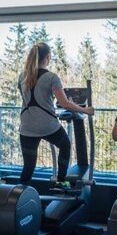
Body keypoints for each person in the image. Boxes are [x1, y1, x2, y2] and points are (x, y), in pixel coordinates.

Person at [18, 42, 94, 187]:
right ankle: (61, 181)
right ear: (48, 57)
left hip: (26, 126)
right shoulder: (52, 77)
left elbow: (26, 98)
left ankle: (17, 197)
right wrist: (86, 110)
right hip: (47, 125)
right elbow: (64, 103)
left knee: (28, 167)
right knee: (65, 146)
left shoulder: (22, 76)